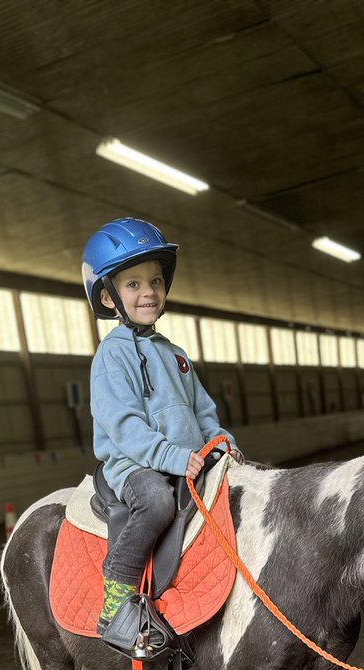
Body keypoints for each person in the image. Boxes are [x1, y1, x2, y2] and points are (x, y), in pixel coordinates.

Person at [81, 217, 243, 646]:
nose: (148, 291)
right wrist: (173, 458)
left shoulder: (174, 354)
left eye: (155, 280)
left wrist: (221, 441)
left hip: (186, 457)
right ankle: (117, 598)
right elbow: (125, 427)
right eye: (132, 284)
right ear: (108, 297)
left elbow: (203, 411)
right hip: (135, 466)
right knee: (155, 504)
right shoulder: (110, 357)